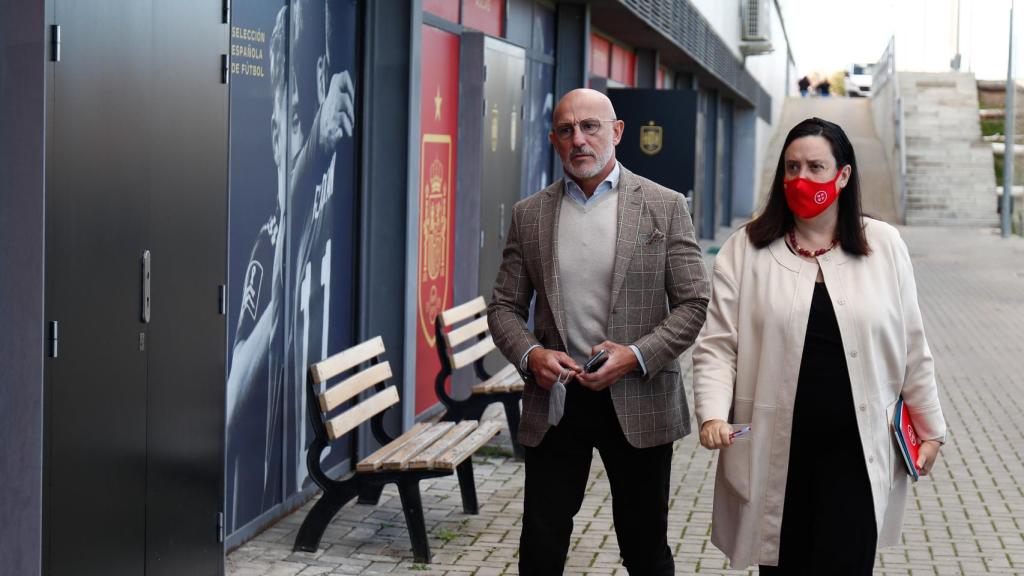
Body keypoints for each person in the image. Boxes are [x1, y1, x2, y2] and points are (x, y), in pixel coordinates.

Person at [692, 117, 946, 574]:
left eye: (815, 167)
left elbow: (913, 344)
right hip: (776, 452)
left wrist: (931, 431)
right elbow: (717, 344)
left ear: (843, 176)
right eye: (791, 168)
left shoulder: (884, 246)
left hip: (857, 452)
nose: (801, 179)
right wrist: (712, 413)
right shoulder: (745, 250)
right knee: (781, 562)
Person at [487, 88, 710, 575]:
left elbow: (694, 303)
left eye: (590, 126)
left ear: (617, 132)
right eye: (566, 130)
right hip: (557, 399)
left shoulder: (664, 206)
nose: (579, 139)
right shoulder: (530, 214)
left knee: (644, 544)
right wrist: (531, 356)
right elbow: (503, 307)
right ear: (553, 140)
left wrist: (635, 354)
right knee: (541, 543)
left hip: (639, 396)